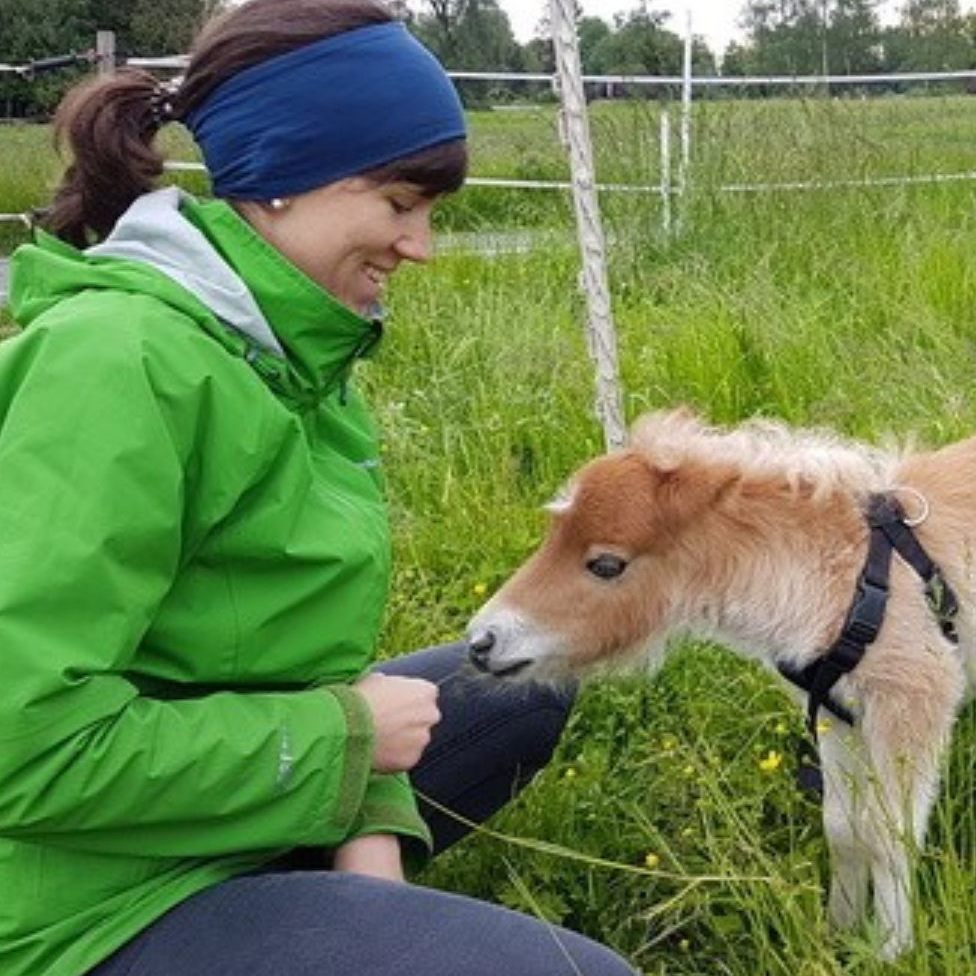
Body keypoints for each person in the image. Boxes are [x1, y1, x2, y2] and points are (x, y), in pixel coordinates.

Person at [0, 1, 638, 974]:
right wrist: (339, 738)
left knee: (514, 694)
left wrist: (368, 869)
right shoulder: (114, 366)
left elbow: (320, 671)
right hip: (74, 902)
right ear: (287, 181)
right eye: (398, 201)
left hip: (216, 812)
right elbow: (22, 746)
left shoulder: (294, 353)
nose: (419, 245)